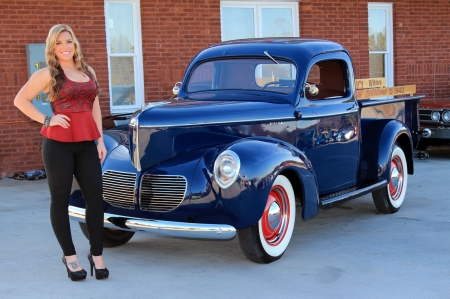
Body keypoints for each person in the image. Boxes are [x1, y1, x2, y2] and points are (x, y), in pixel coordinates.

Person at [14, 24, 109, 281]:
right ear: (52, 48)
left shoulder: (87, 71)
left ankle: (96, 255)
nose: (65, 47)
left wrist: (100, 141)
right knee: (60, 199)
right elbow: (20, 100)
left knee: (96, 199)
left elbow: (95, 108)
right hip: (58, 145)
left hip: (87, 143)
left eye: (69, 41)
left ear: (75, 44)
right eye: (59, 43)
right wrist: (47, 120)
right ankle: (70, 257)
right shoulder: (48, 74)